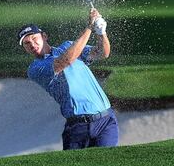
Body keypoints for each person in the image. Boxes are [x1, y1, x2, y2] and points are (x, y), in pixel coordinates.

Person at [18, 8, 118, 150]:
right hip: (78, 128)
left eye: (34, 39)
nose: (32, 44)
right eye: (27, 43)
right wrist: (89, 27)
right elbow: (65, 61)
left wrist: (101, 32)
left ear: (44, 36)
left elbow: (103, 53)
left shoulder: (67, 46)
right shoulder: (35, 69)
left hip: (105, 121)